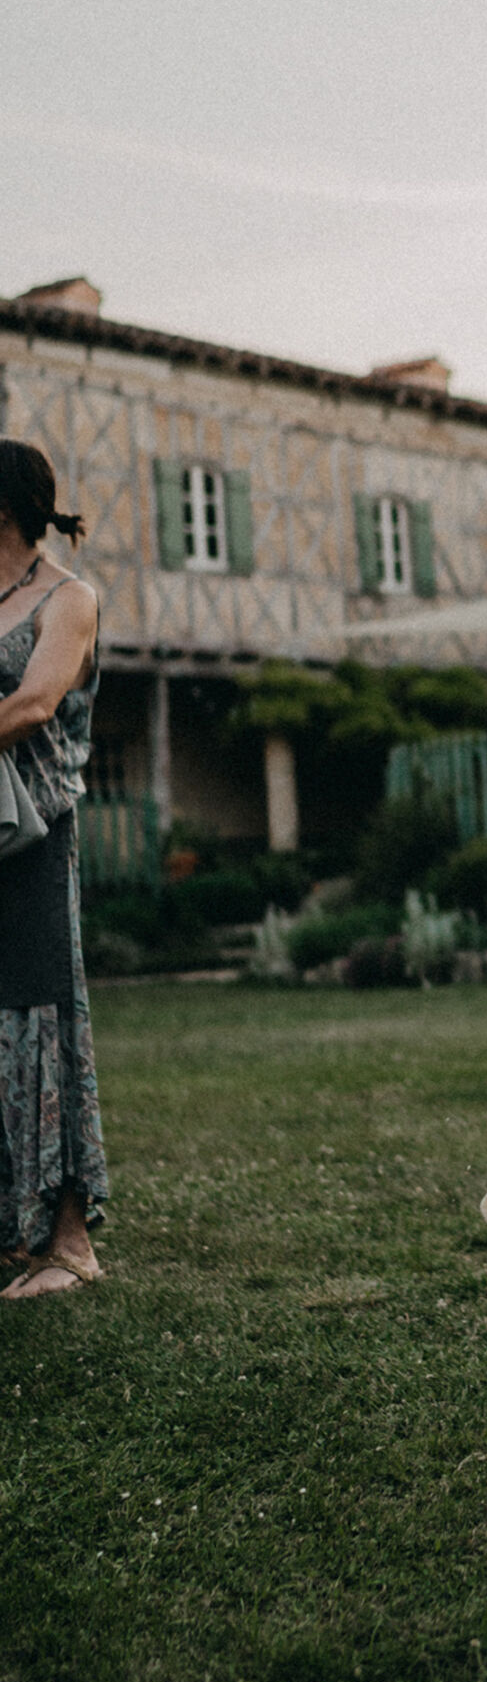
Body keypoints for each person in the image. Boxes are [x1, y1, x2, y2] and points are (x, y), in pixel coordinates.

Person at [0, 440, 107, 1301]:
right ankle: (13, 1227)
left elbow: (34, 704)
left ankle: (67, 1241)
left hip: (35, 840)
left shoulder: (68, 599)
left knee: (43, 1017)